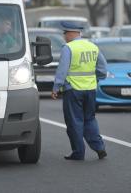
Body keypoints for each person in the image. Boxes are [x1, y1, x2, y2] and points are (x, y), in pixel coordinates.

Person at [51, 21, 107, 161]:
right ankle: (99, 148)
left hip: (73, 90)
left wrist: (56, 87)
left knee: (74, 121)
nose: (64, 37)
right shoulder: (92, 46)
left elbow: (62, 70)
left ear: (70, 33)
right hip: (90, 89)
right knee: (90, 119)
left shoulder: (68, 48)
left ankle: (78, 152)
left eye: (65, 34)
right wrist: (96, 79)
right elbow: (102, 68)